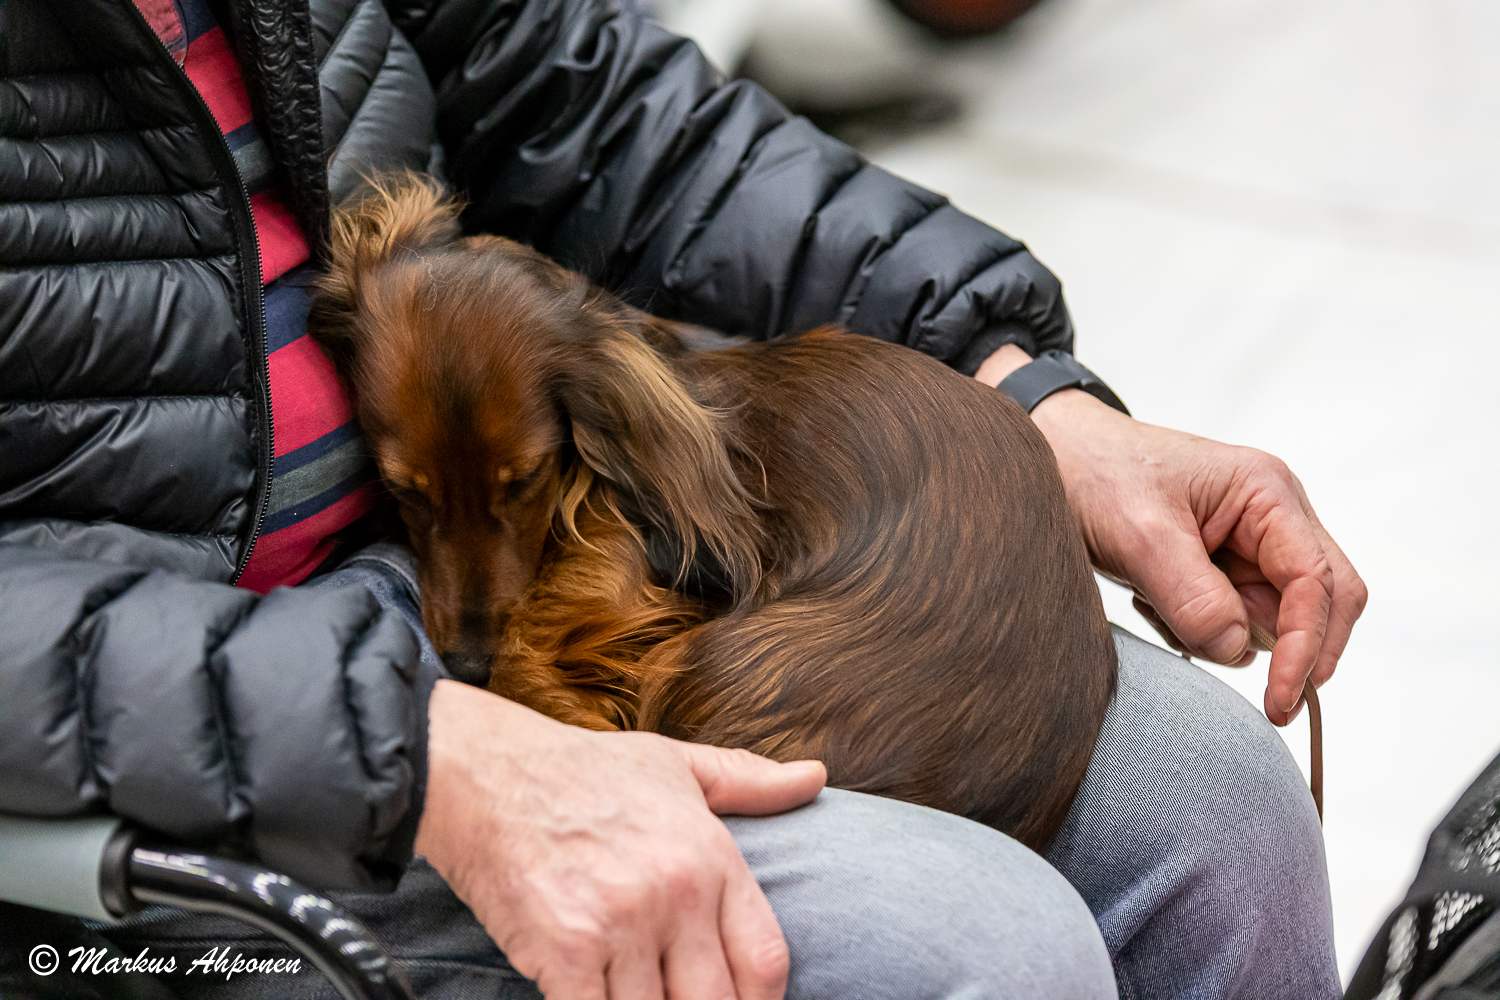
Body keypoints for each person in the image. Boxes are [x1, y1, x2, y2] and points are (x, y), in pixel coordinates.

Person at [0, 0, 1364, 997]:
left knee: (1220, 810)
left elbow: (591, 105)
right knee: (974, 945)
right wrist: (415, 752)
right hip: (181, 755)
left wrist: (1016, 382)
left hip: (486, 563)